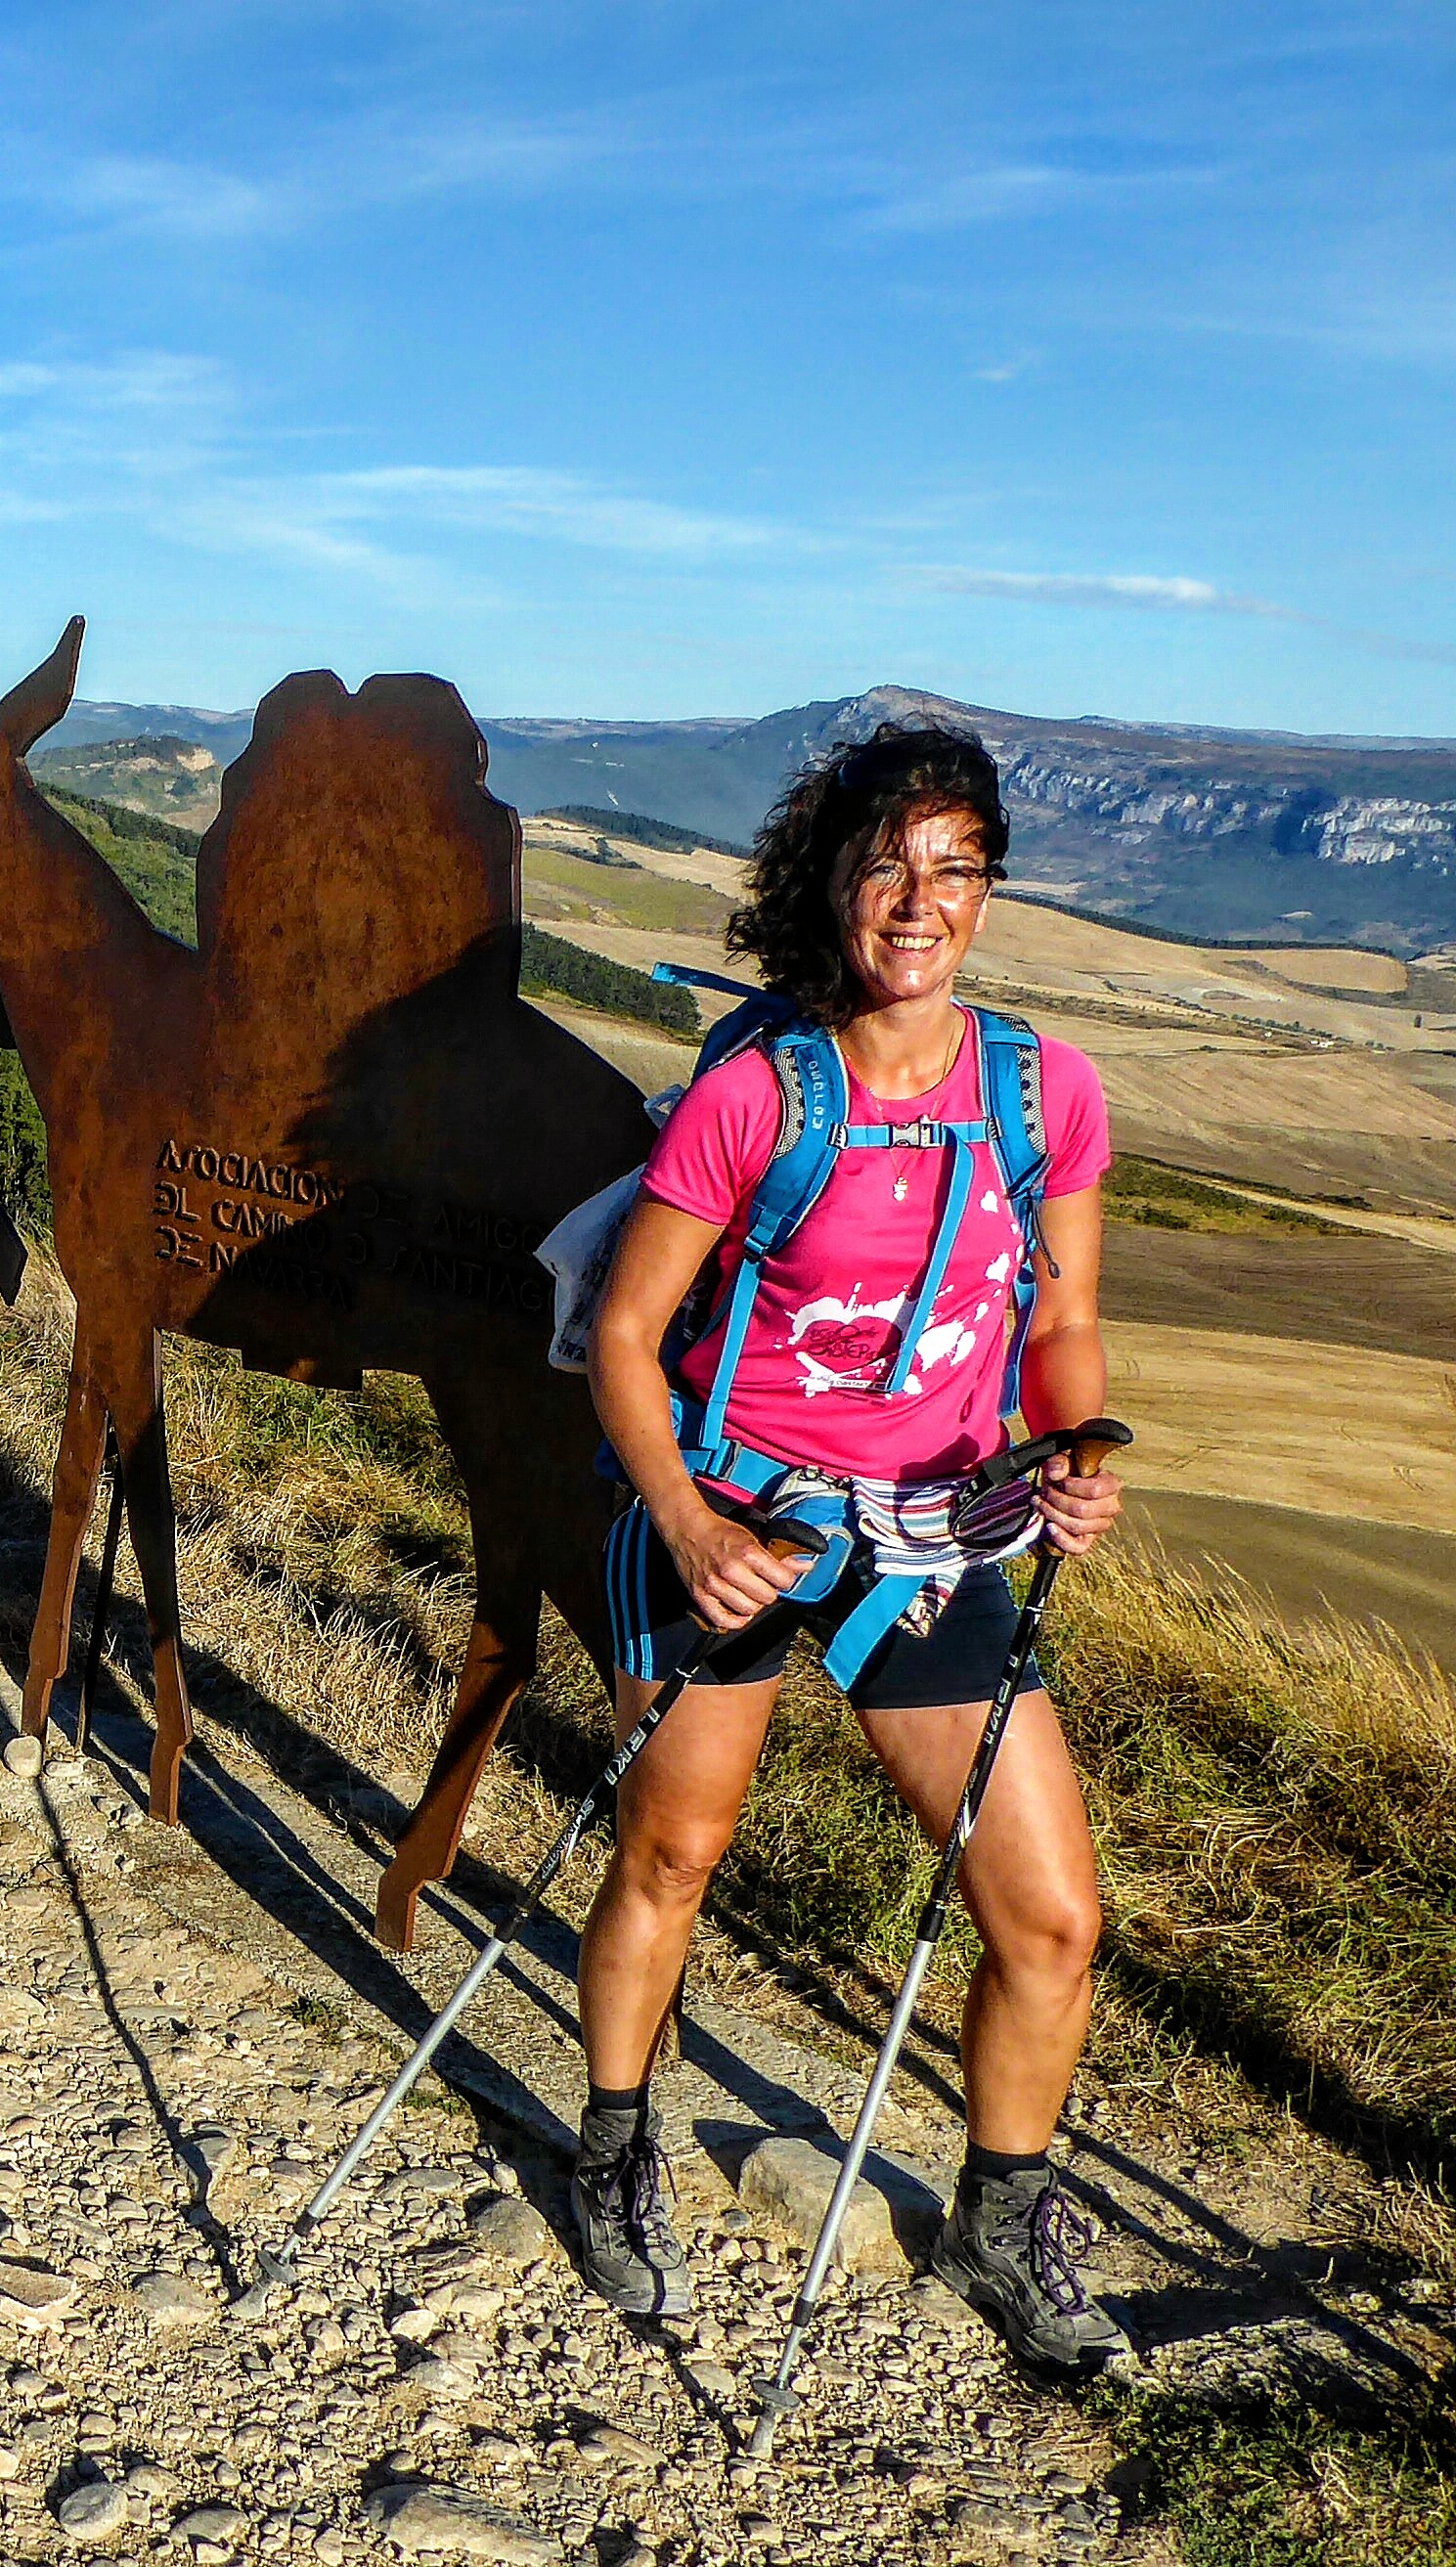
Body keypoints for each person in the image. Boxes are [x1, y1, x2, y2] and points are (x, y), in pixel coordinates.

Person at [572, 721, 1128, 2373]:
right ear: (831, 884)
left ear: (988, 891)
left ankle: (999, 2220)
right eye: (886, 863)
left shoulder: (1043, 1094)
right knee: (670, 1858)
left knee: (1051, 1918)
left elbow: (1063, 1325)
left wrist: (1076, 1447)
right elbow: (625, 1339)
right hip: (735, 1512)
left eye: (953, 867)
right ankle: (612, 2148)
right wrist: (689, 1526)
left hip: (935, 1531)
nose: (917, 899)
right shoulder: (756, 1095)